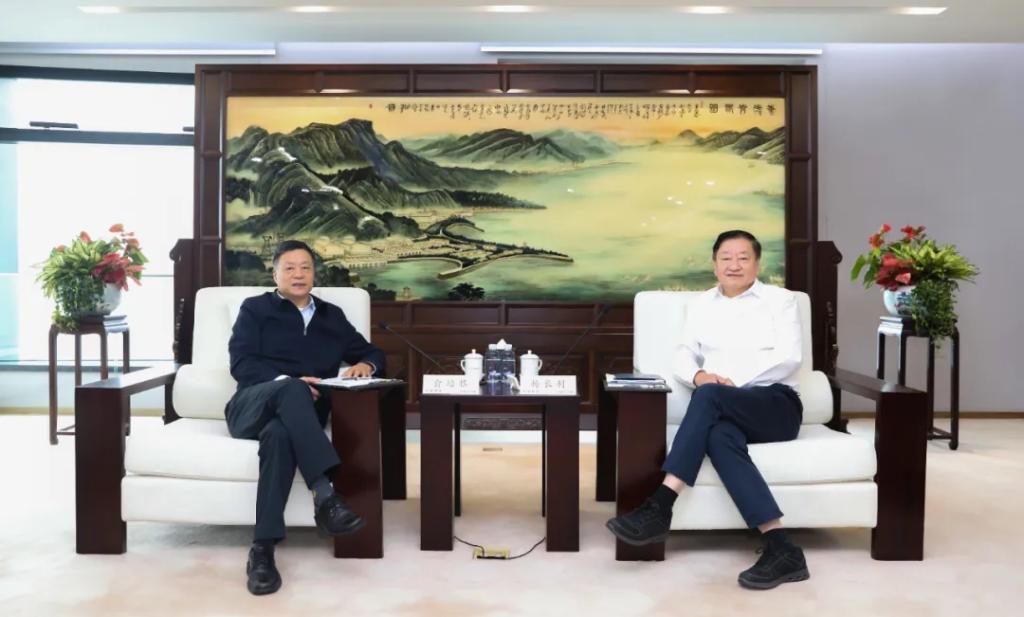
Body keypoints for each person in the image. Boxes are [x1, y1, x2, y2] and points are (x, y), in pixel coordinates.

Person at [605, 229, 809, 590]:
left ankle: (661, 504)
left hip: (776, 405)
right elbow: (684, 353)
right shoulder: (701, 305)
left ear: (757, 264)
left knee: (711, 395)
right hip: (724, 409)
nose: (734, 265)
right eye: (726, 258)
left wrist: (730, 385)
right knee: (717, 435)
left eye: (743, 258)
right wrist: (699, 376)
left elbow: (790, 358)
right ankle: (782, 547)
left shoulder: (781, 300)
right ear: (714, 265)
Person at [225, 240, 385, 595]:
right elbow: (241, 364)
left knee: (280, 437)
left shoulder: (332, 316)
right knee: (293, 388)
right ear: (275, 275)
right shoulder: (255, 309)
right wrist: (289, 382)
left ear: (314, 274)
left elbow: (373, 352)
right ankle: (326, 495)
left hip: (297, 419)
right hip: (251, 406)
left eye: (305, 267)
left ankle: (262, 551)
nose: (298, 274)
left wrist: (365, 364)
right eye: (289, 268)